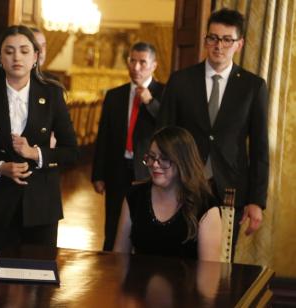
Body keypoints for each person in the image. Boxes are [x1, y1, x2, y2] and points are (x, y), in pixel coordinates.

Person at [0, 25, 79, 251]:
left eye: (24, 51)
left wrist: (36, 153)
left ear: (35, 57)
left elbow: (71, 151)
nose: (17, 57)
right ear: (0, 58)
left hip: (42, 205)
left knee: (39, 277)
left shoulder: (52, 94)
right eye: (9, 51)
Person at [159, 8, 269, 244]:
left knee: (219, 264)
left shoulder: (253, 87)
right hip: (183, 186)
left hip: (230, 191)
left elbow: (260, 147)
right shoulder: (180, 80)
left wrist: (256, 201)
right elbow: (164, 136)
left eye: (227, 39)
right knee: (179, 261)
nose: (219, 45)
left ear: (239, 44)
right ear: (206, 39)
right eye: (213, 38)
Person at [92, 42, 164, 251]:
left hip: (149, 171)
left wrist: (151, 103)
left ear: (154, 65)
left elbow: (168, 128)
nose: (137, 67)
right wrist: (98, 174)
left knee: (144, 227)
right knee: (113, 227)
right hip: (117, 169)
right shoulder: (115, 95)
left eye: (143, 62)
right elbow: (103, 136)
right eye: (133, 61)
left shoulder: (164, 93)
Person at [113, 126, 222, 261]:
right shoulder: (134, 197)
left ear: (183, 162)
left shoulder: (205, 206)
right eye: (152, 157)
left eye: (164, 159)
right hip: (138, 281)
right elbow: (119, 256)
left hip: (186, 282)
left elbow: (209, 273)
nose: (155, 165)